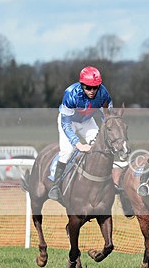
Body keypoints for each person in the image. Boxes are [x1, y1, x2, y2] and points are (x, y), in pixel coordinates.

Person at [48, 66, 113, 201]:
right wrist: (78, 144)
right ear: (82, 85)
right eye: (88, 87)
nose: (92, 91)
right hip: (69, 122)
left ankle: (108, 181)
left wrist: (107, 132)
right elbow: (66, 124)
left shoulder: (104, 94)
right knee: (68, 151)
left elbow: (107, 117)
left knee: (101, 146)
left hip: (87, 121)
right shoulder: (70, 94)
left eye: (95, 87)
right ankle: (56, 185)